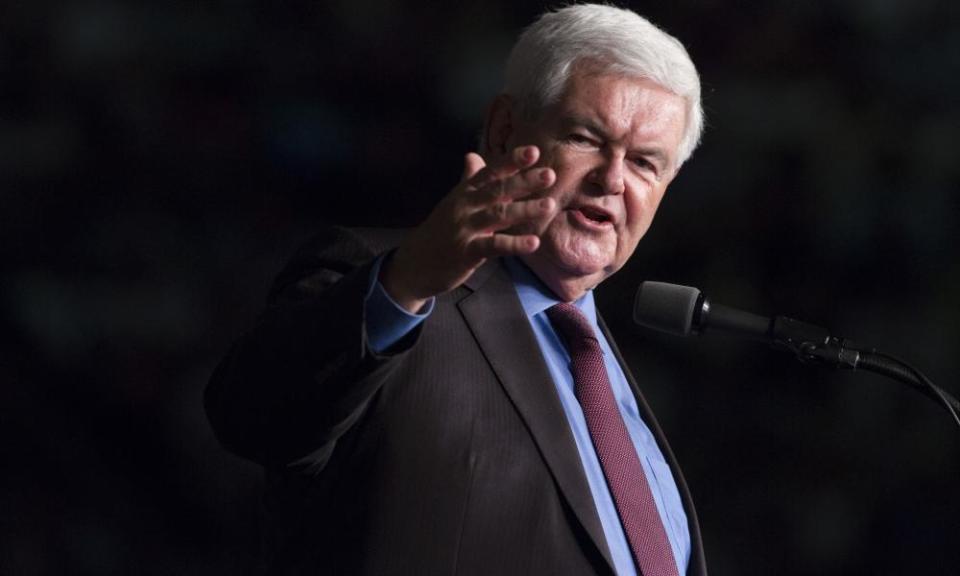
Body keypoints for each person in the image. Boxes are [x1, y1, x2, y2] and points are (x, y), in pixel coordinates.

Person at [206, 4, 707, 575]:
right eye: (586, 138)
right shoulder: (394, 285)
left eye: (645, 163)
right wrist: (410, 280)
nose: (613, 179)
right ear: (504, 131)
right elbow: (251, 418)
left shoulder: (608, 373)